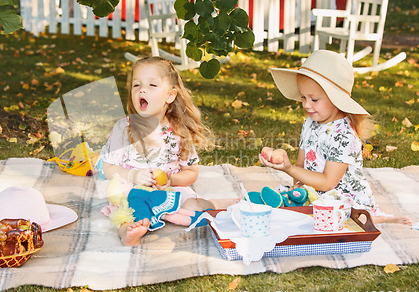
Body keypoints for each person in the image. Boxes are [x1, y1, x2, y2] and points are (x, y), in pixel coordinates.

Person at [260, 50, 411, 226]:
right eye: (303, 97)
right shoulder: (310, 123)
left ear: (336, 99)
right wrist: (298, 187)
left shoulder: (344, 135)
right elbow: (301, 166)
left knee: (336, 214)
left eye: (314, 99)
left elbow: (328, 183)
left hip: (340, 193)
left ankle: (379, 218)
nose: (306, 105)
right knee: (292, 204)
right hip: (314, 190)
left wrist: (288, 168)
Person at [100, 56, 238, 246]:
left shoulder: (178, 131)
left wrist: (171, 179)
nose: (142, 89)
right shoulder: (124, 128)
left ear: (170, 96)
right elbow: (108, 167)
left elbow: (191, 171)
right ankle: (129, 233)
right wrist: (133, 175)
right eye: (136, 85)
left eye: (152, 85)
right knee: (126, 212)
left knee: (194, 207)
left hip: (170, 189)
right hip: (134, 190)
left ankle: (218, 205)